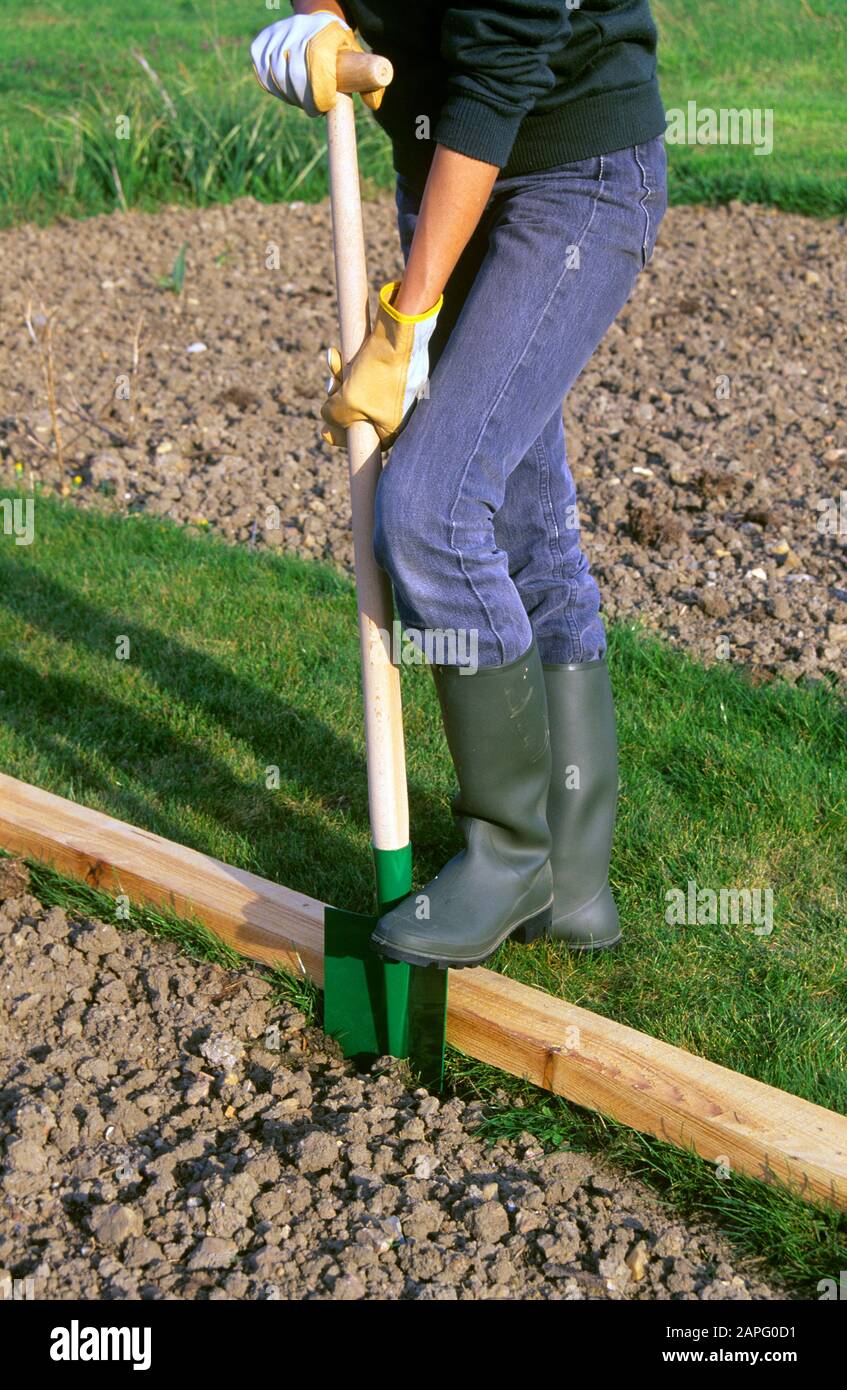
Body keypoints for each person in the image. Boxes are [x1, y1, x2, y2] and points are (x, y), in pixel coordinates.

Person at [251, 1, 667, 970]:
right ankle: (572, 885)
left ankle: (508, 851)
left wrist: (405, 319)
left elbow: (499, 74)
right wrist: (319, 25)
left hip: (572, 172)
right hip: (442, 167)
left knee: (431, 508)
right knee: (526, 521)